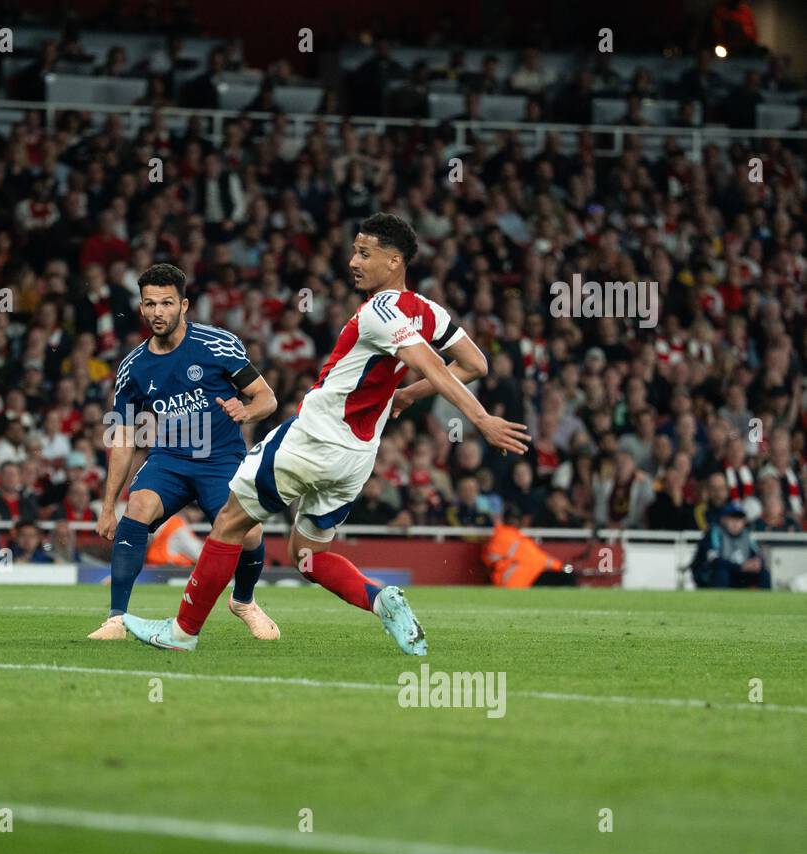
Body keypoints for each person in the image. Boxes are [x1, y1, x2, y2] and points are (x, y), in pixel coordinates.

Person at [122, 214, 528, 653]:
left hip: (313, 439)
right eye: (354, 250)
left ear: (394, 261)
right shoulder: (428, 310)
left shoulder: (379, 311)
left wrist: (479, 418)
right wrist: (407, 396)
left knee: (229, 523)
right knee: (307, 557)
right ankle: (380, 600)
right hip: (356, 460)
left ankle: (182, 633)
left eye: (364, 253)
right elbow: (474, 364)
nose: (353, 260)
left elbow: (429, 362)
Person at [88, 263, 281, 641]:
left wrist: (246, 410)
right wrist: (109, 505)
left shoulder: (218, 344)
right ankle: (116, 619)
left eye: (166, 303)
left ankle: (243, 601)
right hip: (169, 459)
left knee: (252, 534)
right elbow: (123, 439)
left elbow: (267, 398)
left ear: (184, 305)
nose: (158, 312)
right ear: (141, 309)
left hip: (220, 460)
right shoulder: (131, 369)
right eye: (150, 304)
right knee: (138, 507)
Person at [691, 502, 771, 589]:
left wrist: (757, 563)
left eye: (739, 518)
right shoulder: (715, 533)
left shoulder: (746, 535)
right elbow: (713, 560)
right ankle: (718, 600)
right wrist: (740, 567)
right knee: (721, 573)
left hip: (739, 574)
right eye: (732, 518)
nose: (736, 522)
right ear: (723, 519)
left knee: (764, 573)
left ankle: (764, 600)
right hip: (712, 575)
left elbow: (757, 555)